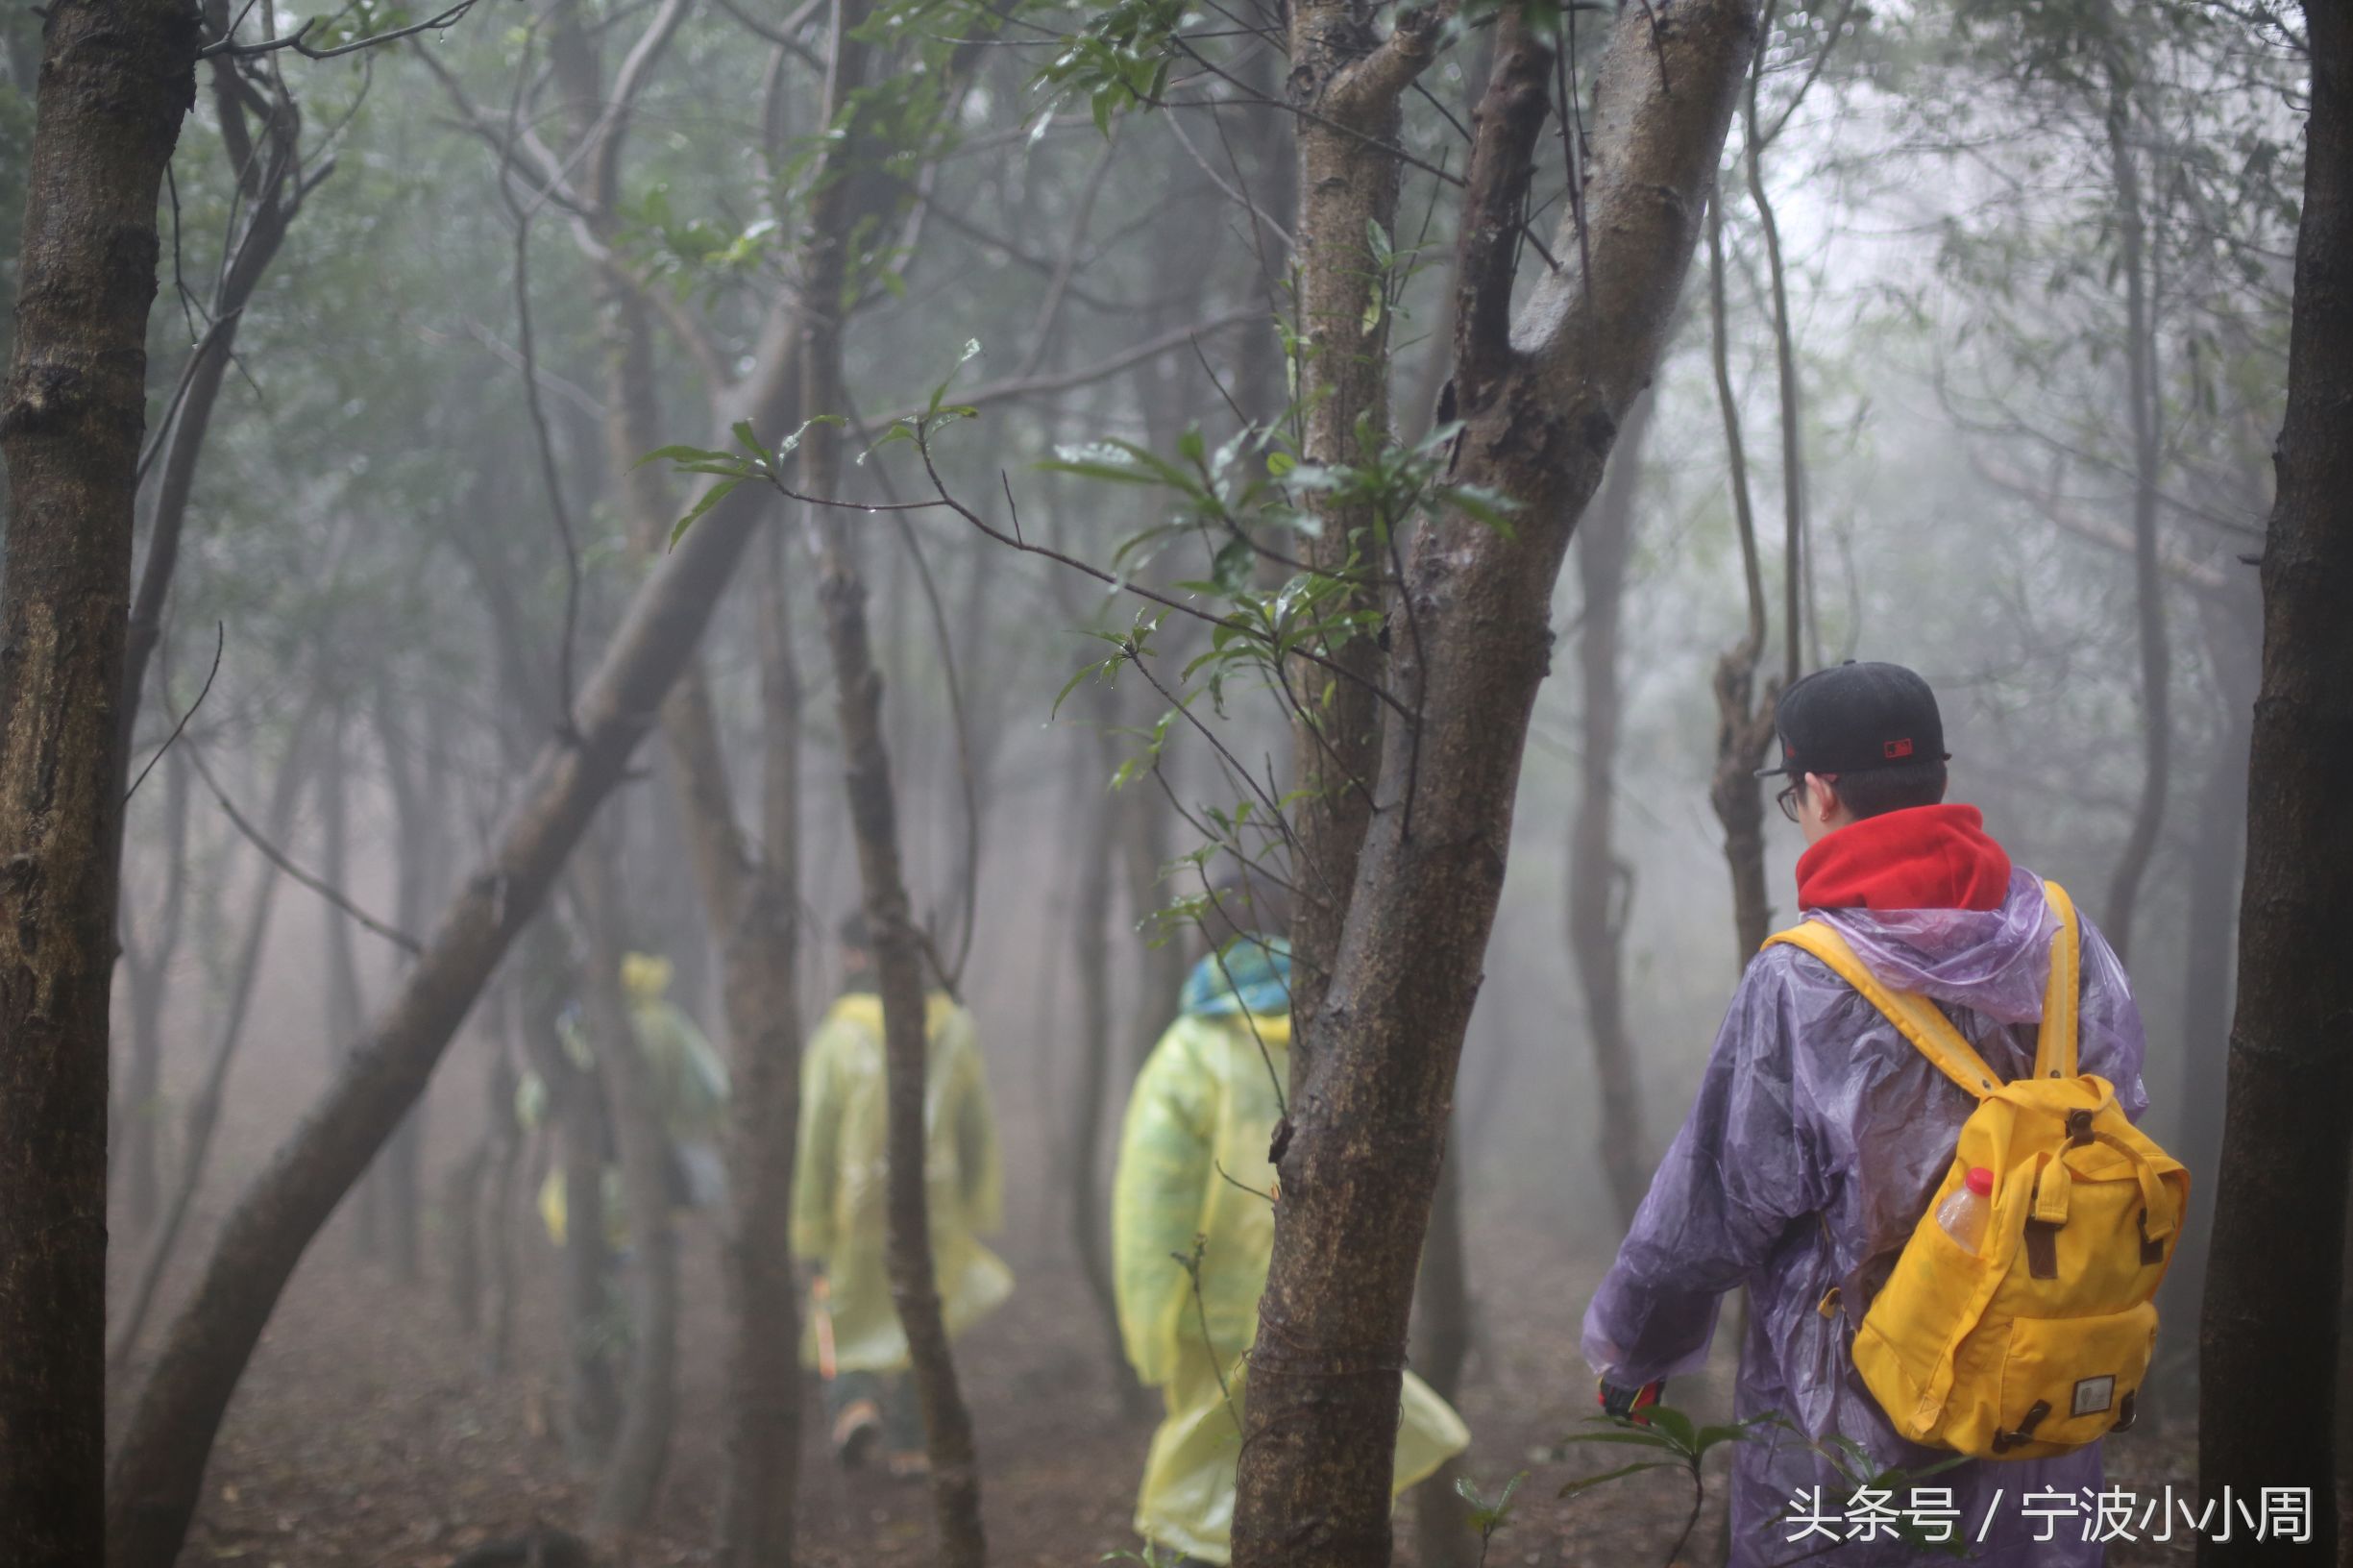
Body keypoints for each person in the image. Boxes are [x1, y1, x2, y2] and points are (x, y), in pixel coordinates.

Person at [1581, 661, 2151, 1567]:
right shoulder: (2067, 941)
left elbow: (1712, 1207)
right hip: (2032, 1399)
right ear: (1940, 784)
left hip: (1851, 1423)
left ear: (1816, 790)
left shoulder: (1802, 978)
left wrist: (1635, 1351)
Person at [1113, 879, 1470, 1566]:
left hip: (1210, 1323)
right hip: (1332, 1315)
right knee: (1320, 1492)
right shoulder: (1348, 1040)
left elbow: (1152, 1203)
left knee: (1209, 1489)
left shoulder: (1190, 1053)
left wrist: (1150, 1326)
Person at [792, 911, 1012, 1478]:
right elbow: (974, 1123)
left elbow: (818, 1134)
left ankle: (855, 1405)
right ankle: (914, 1440)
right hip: (935, 1203)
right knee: (924, 1311)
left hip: (856, 1206)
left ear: (857, 958)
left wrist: (810, 1224)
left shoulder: (839, 1034)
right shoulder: (954, 1027)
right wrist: (975, 1201)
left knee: (841, 1308)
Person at [520, 950, 731, 1248]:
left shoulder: (584, 1032)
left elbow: (532, 1107)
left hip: (599, 1185)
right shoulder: (668, 1023)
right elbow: (713, 1098)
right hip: (667, 1178)